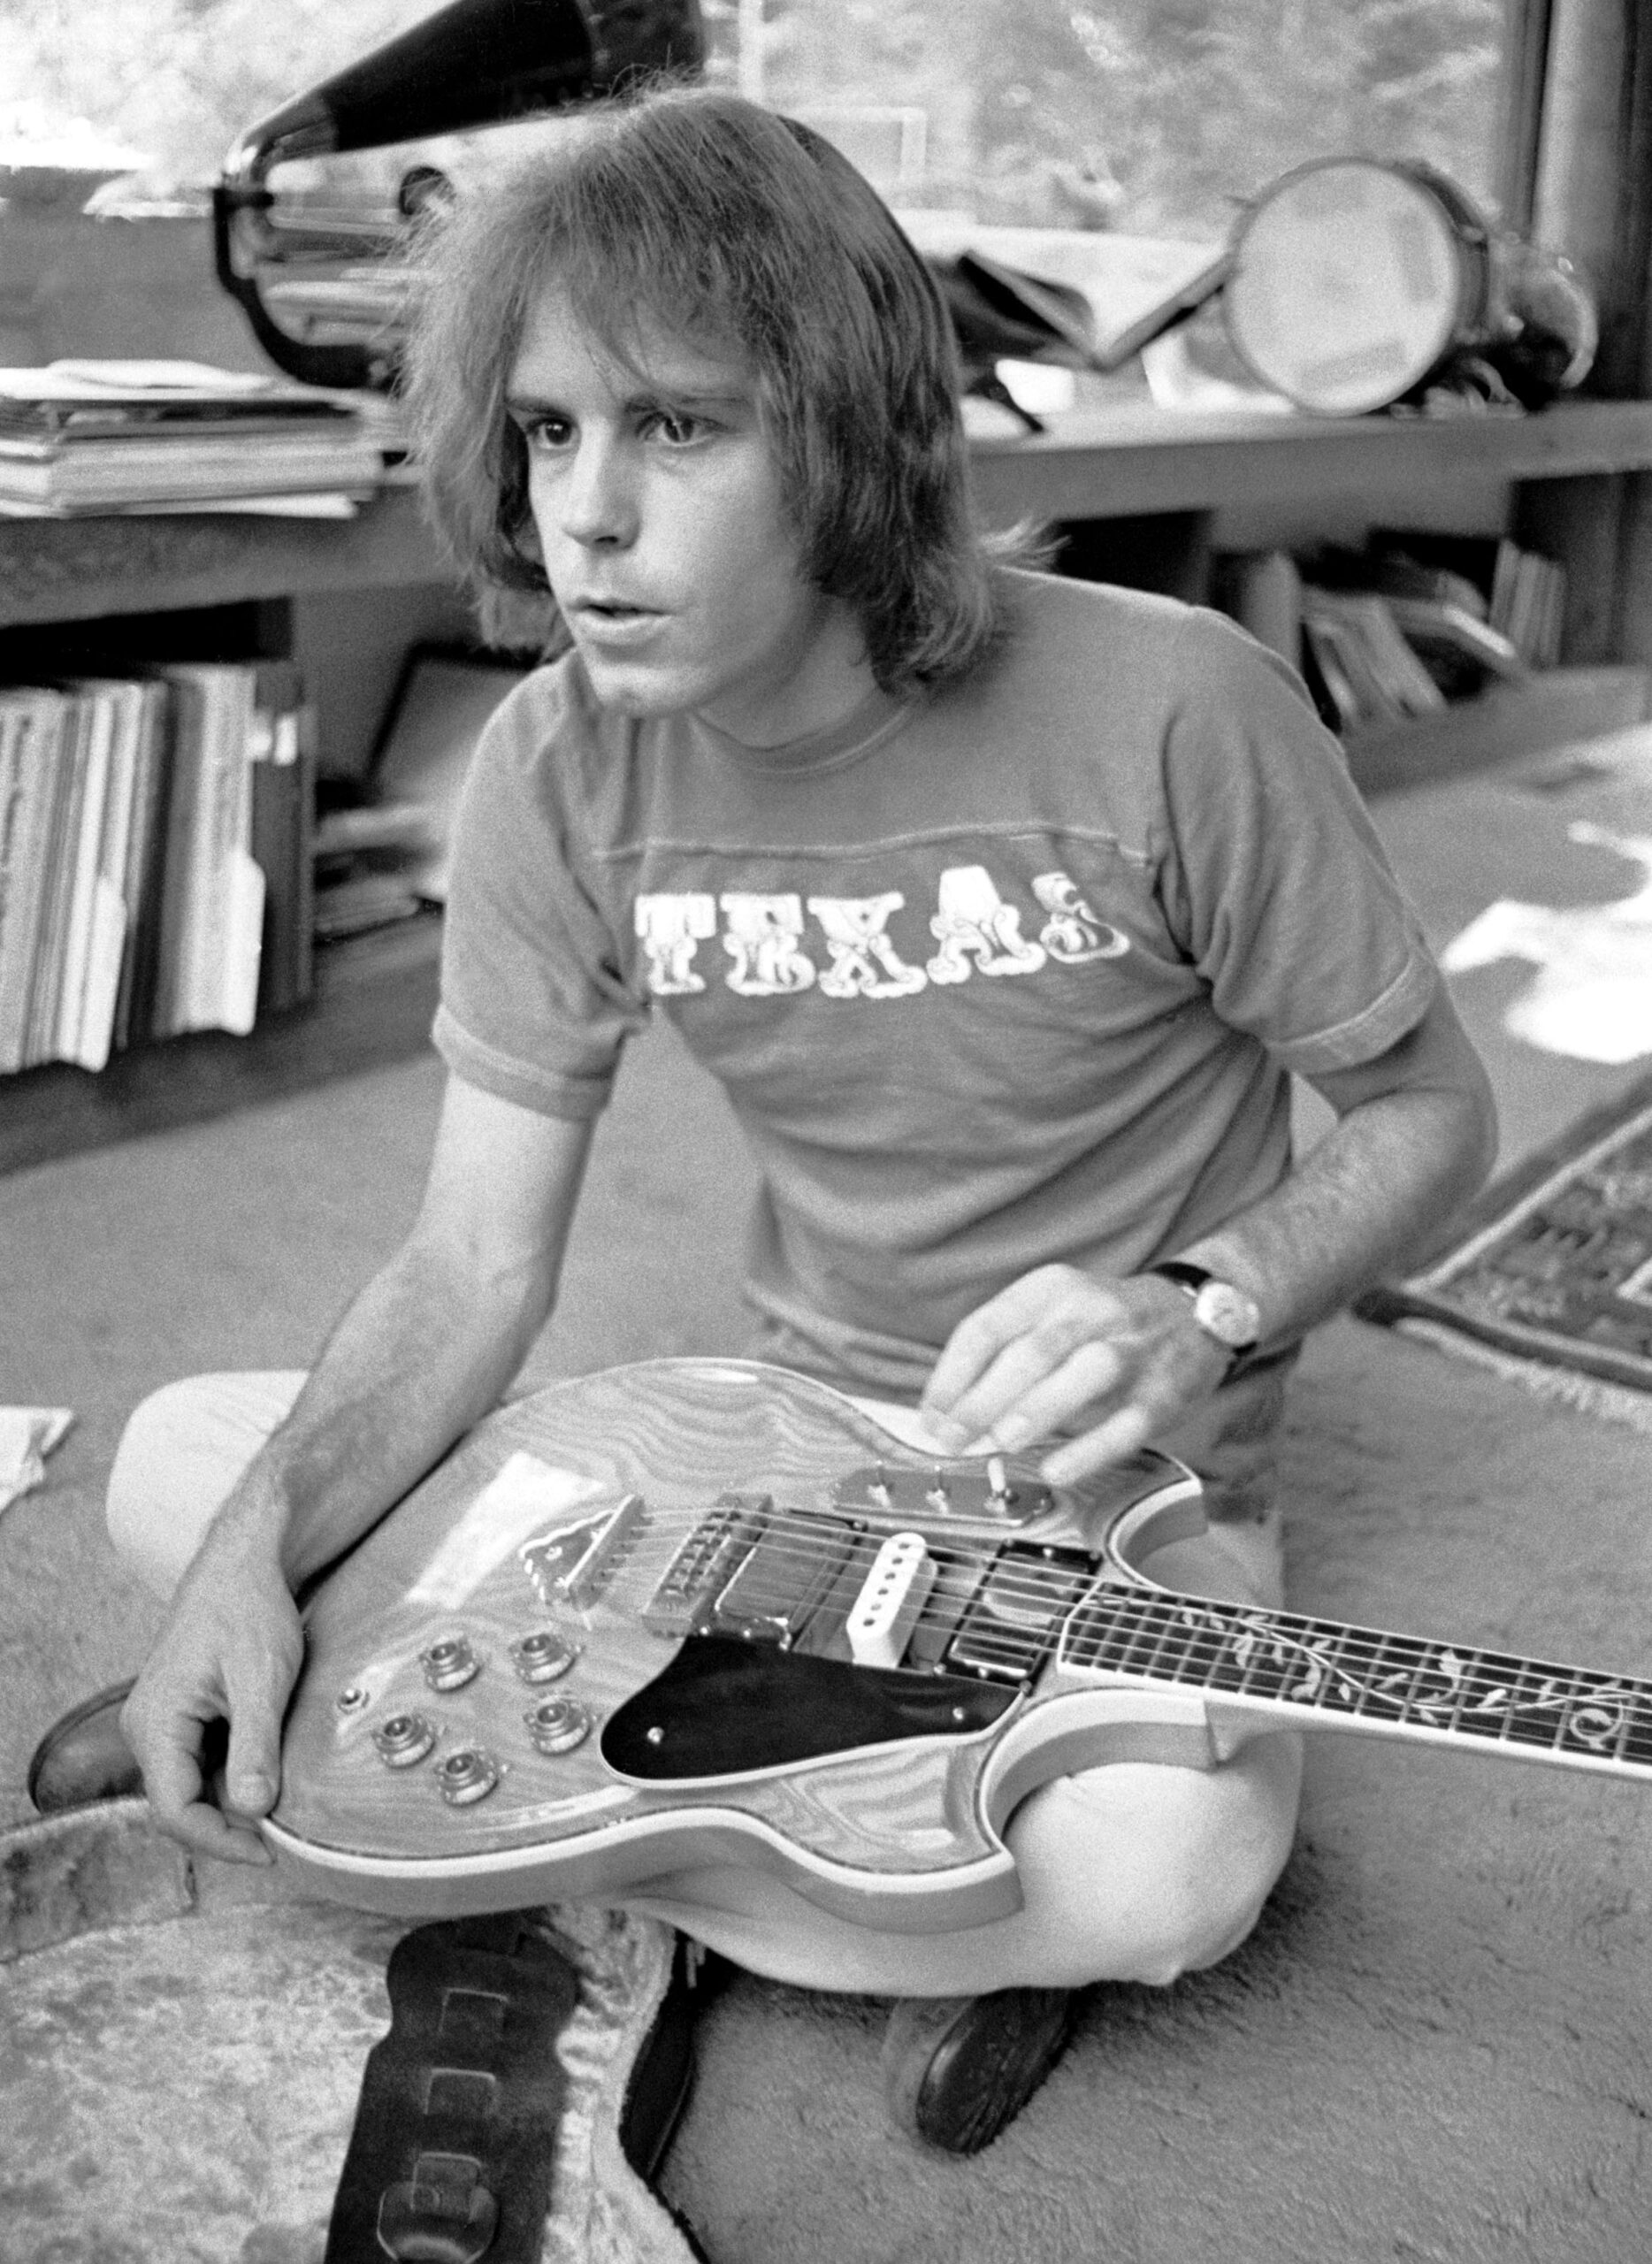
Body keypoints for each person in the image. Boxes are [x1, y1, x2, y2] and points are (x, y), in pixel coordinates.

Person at [29, 83, 1496, 2156]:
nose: (586, 516)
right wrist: (247, 1565)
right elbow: (469, 1263)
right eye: (549, 433)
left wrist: (1204, 1301)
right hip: (748, 1458)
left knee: (1178, 1869)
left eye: (679, 428)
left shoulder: (1177, 707)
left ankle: (550, 1831)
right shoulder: (551, 767)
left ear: (851, 441)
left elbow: (1434, 1108)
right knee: (184, 1467)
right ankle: (840, 1871)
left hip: (1106, 1487)